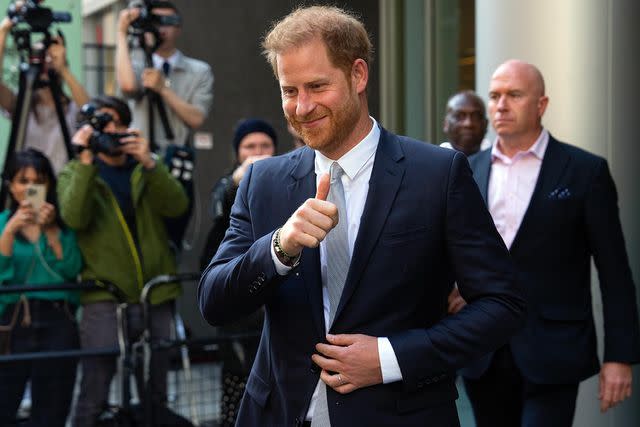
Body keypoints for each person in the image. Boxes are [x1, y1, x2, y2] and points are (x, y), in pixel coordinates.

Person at [198, 6, 525, 426]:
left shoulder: (437, 175)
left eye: (317, 86)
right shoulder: (264, 180)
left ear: (358, 75)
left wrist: (390, 357)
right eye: (289, 90)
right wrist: (279, 246)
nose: (301, 107)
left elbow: (503, 304)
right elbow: (213, 302)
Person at [458, 59, 640, 426]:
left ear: (541, 104)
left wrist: (619, 356)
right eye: (494, 96)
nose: (501, 105)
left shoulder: (585, 171)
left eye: (514, 95)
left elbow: (614, 270)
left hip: (554, 349)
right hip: (483, 348)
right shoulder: (465, 170)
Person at [56, 96, 188, 426]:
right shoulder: (75, 171)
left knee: (155, 388)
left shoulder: (145, 168)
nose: (111, 129)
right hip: (104, 297)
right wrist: (85, 161)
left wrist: (149, 163)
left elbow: (177, 206)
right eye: (103, 122)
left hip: (154, 294)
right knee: (95, 388)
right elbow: (73, 216)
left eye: (117, 122)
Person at [200, 118, 277, 425]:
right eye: (250, 147)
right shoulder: (229, 183)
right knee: (238, 381)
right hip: (240, 306)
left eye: (264, 146)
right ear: (237, 153)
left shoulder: (288, 179)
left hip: (275, 303)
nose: (257, 153)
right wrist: (237, 182)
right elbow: (218, 212)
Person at [0, 148, 82, 427]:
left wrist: (50, 232)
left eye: (39, 181)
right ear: (11, 186)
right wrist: (10, 231)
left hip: (57, 318)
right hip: (11, 321)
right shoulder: (2, 224)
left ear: (49, 185)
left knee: (53, 403)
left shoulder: (61, 226)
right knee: (5, 398)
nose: (30, 188)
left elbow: (71, 270)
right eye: (23, 181)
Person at [115, 0, 214, 154]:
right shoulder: (135, 63)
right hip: (137, 154)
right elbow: (128, 87)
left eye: (169, 21)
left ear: (179, 28)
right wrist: (121, 33)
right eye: (156, 21)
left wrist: (163, 89)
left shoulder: (199, 71)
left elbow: (196, 119)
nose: (162, 27)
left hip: (174, 156)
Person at [0, 17, 90, 174]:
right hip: (29, 188)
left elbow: (90, 110)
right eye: (42, 58)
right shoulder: (21, 104)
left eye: (51, 58)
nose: (46, 63)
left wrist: (63, 69)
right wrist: (3, 32)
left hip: (62, 188)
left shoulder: (71, 107)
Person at [440, 90, 490, 156]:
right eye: (459, 116)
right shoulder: (433, 162)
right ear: (446, 124)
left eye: (476, 117)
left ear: (486, 124)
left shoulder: (499, 163)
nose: (468, 124)